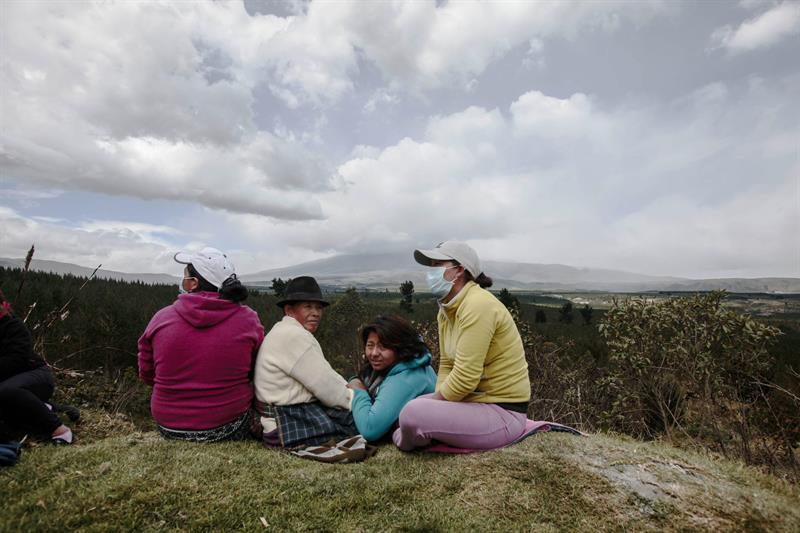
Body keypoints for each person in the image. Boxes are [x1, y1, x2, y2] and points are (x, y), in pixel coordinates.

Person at [393, 241, 531, 451]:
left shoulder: (478, 305)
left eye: (437, 264)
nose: (431, 271)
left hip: (503, 412)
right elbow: (448, 364)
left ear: (459, 271)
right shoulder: (446, 310)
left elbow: (465, 377)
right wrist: (438, 404)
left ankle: (404, 439)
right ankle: (416, 430)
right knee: (408, 407)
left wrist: (434, 405)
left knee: (412, 413)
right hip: (473, 404)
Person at [137, 247, 264, 442]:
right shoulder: (249, 320)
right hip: (229, 424)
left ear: (193, 284)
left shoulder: (161, 318)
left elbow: (147, 374)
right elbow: (257, 370)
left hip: (169, 425)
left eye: (185, 275)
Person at [253, 276, 356, 449]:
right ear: (289, 310)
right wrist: (358, 399)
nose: (315, 313)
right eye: (307, 306)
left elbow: (325, 374)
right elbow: (326, 387)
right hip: (286, 421)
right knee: (358, 424)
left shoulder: (285, 331)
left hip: (277, 418)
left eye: (318, 307)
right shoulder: (293, 336)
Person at [348, 315, 437, 442]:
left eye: (383, 347)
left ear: (400, 348)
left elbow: (370, 429)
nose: (374, 353)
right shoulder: (395, 365)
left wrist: (359, 391)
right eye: (370, 345)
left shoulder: (407, 377)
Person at [0, 293, 74, 445]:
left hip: (37, 376)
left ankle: (60, 430)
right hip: (12, 382)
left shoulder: (14, 326)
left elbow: (14, 361)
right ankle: (45, 407)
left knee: (5, 391)